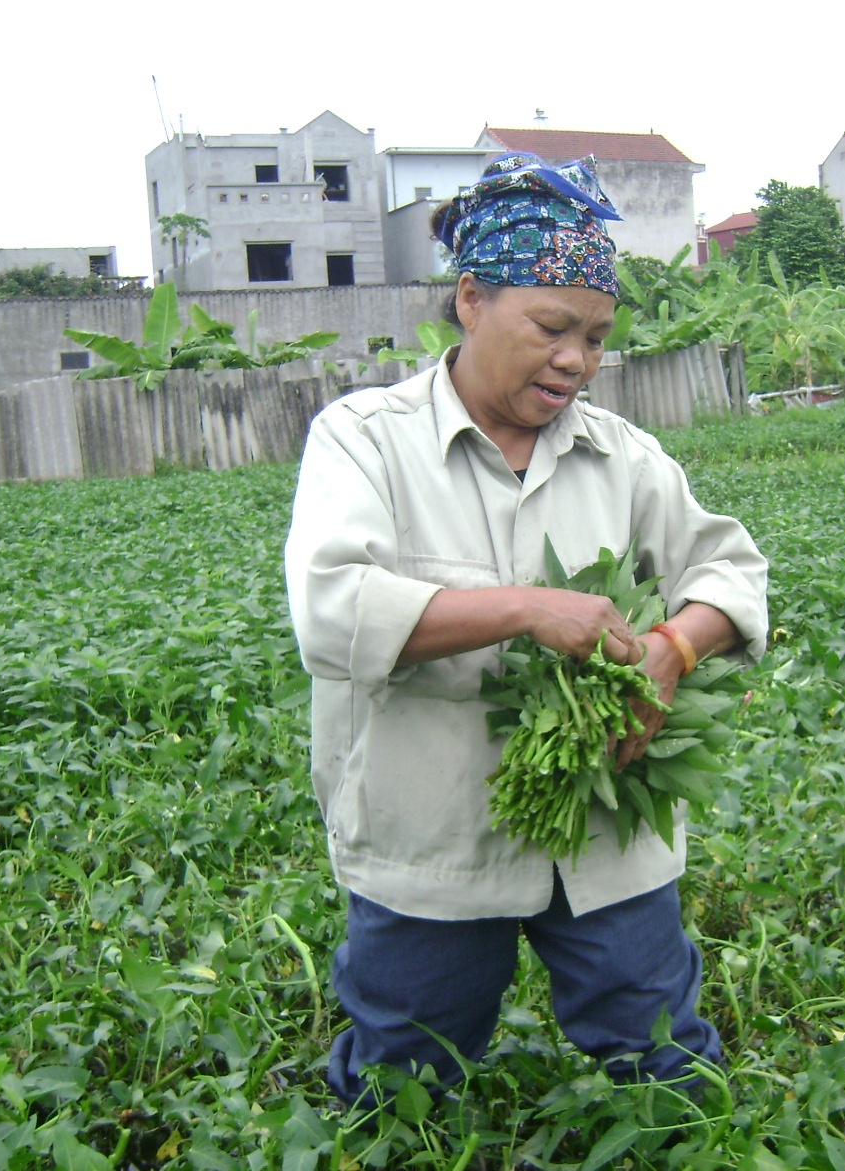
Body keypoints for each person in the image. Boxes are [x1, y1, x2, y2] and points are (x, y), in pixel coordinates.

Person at [284, 153, 769, 1107]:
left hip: (601, 830)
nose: (577, 361)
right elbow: (332, 609)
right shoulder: (365, 440)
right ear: (471, 298)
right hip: (433, 837)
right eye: (552, 327)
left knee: (662, 1054)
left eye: (595, 337)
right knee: (404, 1079)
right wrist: (527, 608)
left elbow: (730, 569)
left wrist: (674, 648)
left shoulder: (621, 456)